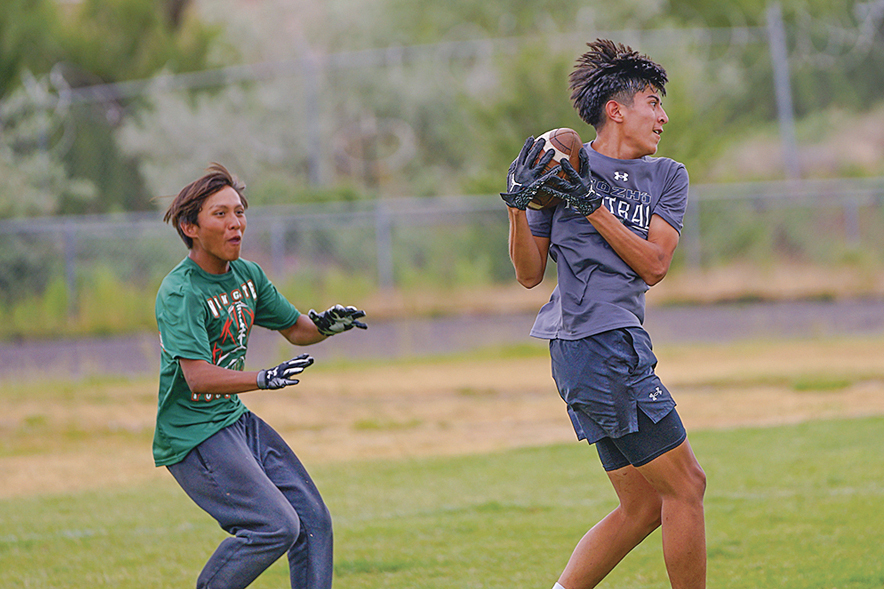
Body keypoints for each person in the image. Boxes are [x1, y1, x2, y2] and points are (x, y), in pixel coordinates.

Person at [500, 39, 707, 589]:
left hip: (610, 344)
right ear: (616, 109)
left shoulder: (667, 175)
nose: (663, 115)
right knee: (686, 487)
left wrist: (588, 202)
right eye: (652, 101)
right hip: (593, 345)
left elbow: (654, 263)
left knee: (642, 506)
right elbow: (527, 273)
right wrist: (519, 205)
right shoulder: (567, 161)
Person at [153, 163, 367, 589]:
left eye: (240, 212)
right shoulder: (181, 292)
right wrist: (263, 378)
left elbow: (296, 330)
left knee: (312, 521)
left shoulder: (248, 277)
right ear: (189, 226)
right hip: (193, 435)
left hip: (233, 420)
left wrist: (325, 325)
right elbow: (197, 378)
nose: (236, 223)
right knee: (274, 526)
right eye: (220, 214)